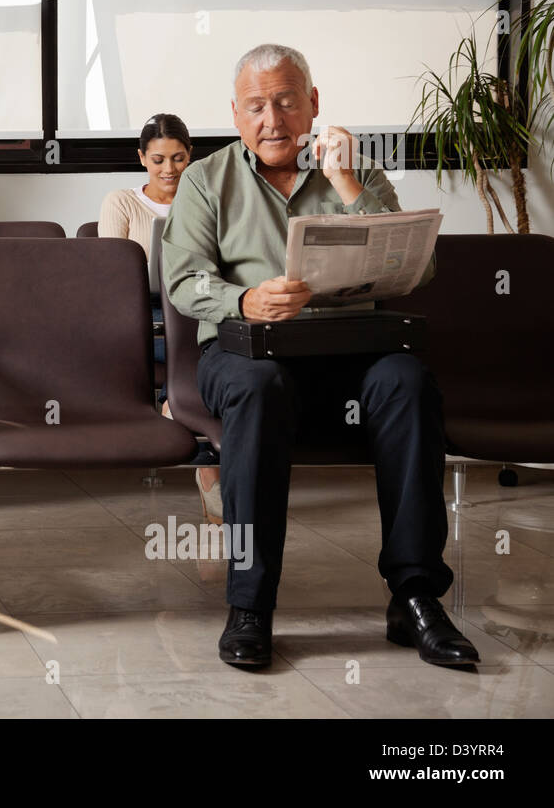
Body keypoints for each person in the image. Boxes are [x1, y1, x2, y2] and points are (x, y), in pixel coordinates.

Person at [162, 43, 478, 669]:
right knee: (259, 386)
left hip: (350, 350)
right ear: (235, 113)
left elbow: (418, 269)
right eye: (255, 106)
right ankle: (250, 604)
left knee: (408, 380)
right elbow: (183, 282)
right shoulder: (206, 179)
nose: (272, 119)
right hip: (245, 353)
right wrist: (246, 298)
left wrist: (347, 185)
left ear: (313, 104)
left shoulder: (359, 173)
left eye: (285, 102)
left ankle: (415, 599)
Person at [98, 114, 222, 525]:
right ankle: (208, 470)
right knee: (202, 355)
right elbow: (110, 277)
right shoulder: (122, 202)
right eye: (158, 160)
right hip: (144, 316)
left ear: (191, 156)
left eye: (178, 158)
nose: (169, 169)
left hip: (200, 309)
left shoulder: (207, 199)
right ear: (141, 158)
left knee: (227, 347)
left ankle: (177, 408)